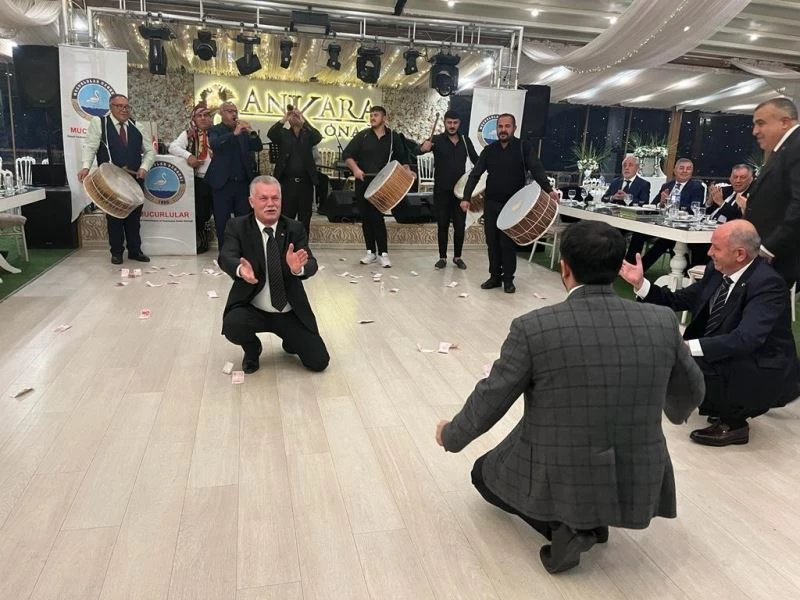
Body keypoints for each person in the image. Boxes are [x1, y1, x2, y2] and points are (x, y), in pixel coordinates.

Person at [435, 220, 704, 574]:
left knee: (481, 474)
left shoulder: (534, 328)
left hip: (561, 469)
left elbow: (491, 399)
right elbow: (693, 390)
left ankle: (571, 528)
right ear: (617, 267)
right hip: (638, 467)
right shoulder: (662, 321)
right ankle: (594, 516)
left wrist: (450, 435)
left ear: (565, 268)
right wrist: (673, 410)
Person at [620, 220, 799, 447]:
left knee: (685, 362)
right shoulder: (717, 271)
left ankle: (734, 423)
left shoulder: (767, 284)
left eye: (716, 247)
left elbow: (746, 339)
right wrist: (641, 283)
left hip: (763, 366)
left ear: (740, 254)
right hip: (733, 352)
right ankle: (718, 402)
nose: (709, 252)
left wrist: (687, 348)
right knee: (677, 357)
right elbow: (678, 300)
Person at [218, 175, 329, 375]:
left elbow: (311, 263)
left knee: (319, 361)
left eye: (275, 198)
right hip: (254, 309)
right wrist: (240, 269)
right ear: (252, 201)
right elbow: (226, 256)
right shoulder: (237, 226)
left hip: (288, 312)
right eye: (263, 198)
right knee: (233, 324)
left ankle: (290, 340)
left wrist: (298, 269)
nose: (271, 204)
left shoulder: (294, 228)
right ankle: (252, 349)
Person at [461, 113, 558, 293]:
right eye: (500, 126)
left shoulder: (523, 147)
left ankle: (508, 280)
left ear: (514, 128)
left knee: (507, 244)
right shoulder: (489, 151)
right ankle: (494, 277)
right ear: (496, 129)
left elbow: (536, 169)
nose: (503, 130)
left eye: (507, 126)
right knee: (492, 242)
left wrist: (549, 189)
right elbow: (475, 174)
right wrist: (466, 197)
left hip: (514, 206)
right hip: (491, 203)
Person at [78, 93, 155, 264]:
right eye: (119, 106)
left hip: (134, 181)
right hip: (110, 181)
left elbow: (150, 151)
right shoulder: (100, 123)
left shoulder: (137, 126)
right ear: (110, 107)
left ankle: (135, 251)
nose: (123, 109)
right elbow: (90, 146)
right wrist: (85, 167)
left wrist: (144, 167)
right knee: (114, 217)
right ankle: (117, 252)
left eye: (126, 106)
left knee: (134, 218)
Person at [342, 106, 411, 268]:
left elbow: (402, 158)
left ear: (384, 118)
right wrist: (356, 169)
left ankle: (383, 254)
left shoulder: (393, 137)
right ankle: (370, 252)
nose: (372, 117)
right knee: (365, 217)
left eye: (376, 115)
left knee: (377, 217)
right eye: (371, 115)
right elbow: (347, 155)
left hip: (382, 184)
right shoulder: (363, 135)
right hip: (363, 182)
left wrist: (407, 171)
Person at [744, 97, 800, 287]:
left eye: (761, 123)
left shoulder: (796, 147)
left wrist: (769, 248)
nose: (755, 131)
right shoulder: (785, 149)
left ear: (784, 122)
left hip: (780, 256)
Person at [416, 109, 479, 269]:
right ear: (444, 123)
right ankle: (442, 257)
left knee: (460, 225)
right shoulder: (436, 140)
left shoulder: (465, 140)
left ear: (459, 123)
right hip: (441, 190)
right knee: (442, 225)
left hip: (460, 192)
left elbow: (476, 161)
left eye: (455, 123)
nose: (452, 125)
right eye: (449, 122)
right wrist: (422, 148)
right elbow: (415, 152)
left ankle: (457, 257)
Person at [625, 158, 706, 270]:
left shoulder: (697, 187)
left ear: (692, 171)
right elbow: (654, 205)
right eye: (681, 168)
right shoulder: (667, 186)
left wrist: (671, 202)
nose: (684, 171)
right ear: (675, 170)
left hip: (680, 228)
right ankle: (628, 264)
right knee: (638, 233)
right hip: (661, 224)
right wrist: (662, 202)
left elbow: (693, 208)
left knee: (664, 242)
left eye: (688, 169)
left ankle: (641, 268)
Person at [205, 101, 264, 249]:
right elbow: (215, 144)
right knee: (222, 221)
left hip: (242, 184)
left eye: (235, 111)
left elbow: (258, 147)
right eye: (229, 111)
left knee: (243, 221)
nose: (234, 114)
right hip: (222, 184)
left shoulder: (243, 132)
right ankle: (225, 253)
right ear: (221, 113)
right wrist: (233, 134)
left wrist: (251, 132)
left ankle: (242, 251)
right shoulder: (215, 130)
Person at [267, 105, 323, 236]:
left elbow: (318, 137)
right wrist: (284, 119)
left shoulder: (308, 135)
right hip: (287, 182)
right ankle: (285, 243)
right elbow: (271, 134)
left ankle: (302, 244)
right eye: (292, 116)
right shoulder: (284, 134)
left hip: (305, 183)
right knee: (286, 216)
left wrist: (304, 121)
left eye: (296, 116)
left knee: (305, 217)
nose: (294, 118)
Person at [168, 102, 214, 253]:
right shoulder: (189, 133)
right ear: (194, 118)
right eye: (199, 116)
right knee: (201, 212)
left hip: (218, 178)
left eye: (206, 115)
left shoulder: (217, 132)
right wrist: (188, 156)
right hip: (200, 179)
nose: (203, 118)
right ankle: (202, 241)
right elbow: (173, 147)